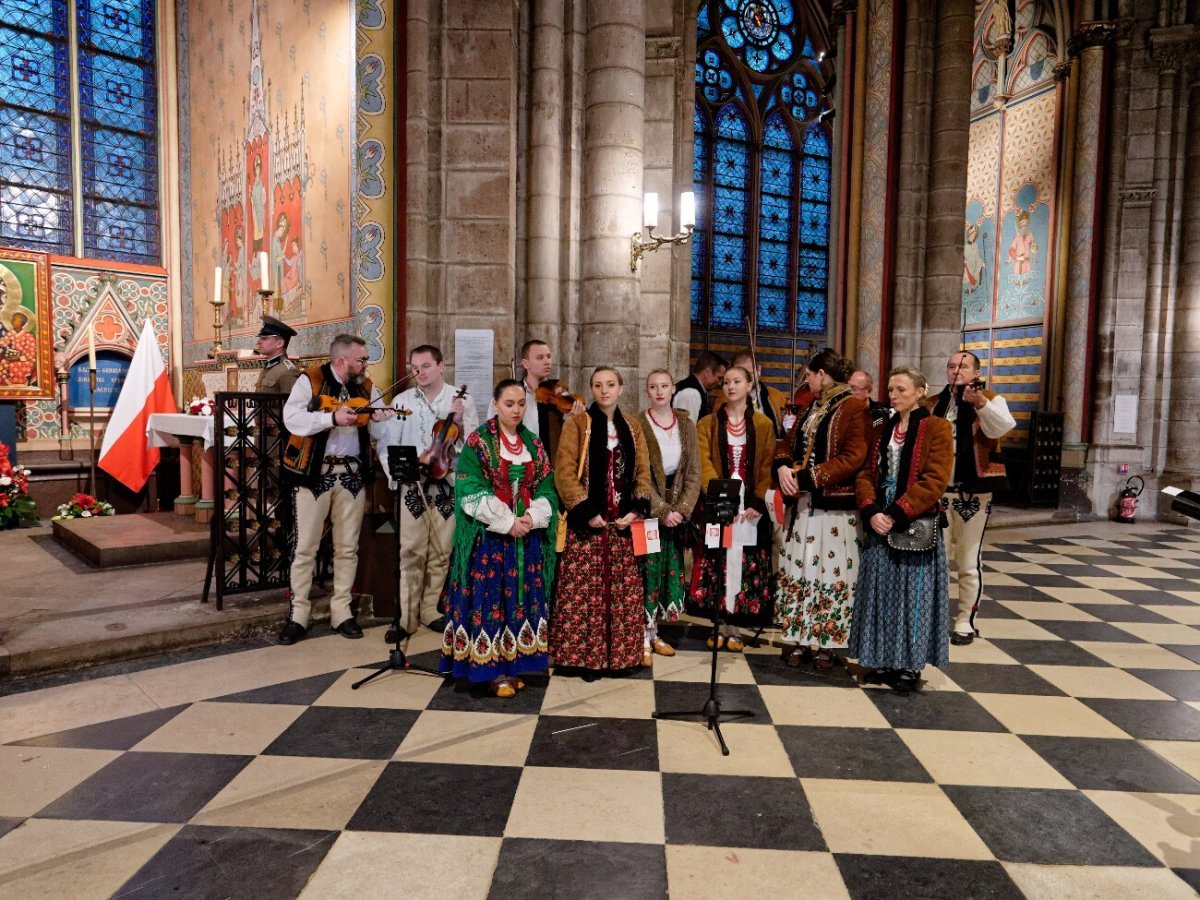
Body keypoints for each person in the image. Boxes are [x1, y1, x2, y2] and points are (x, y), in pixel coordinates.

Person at [440, 380, 556, 697]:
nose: (516, 410)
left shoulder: (533, 444)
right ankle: (491, 670)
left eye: (521, 404)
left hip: (525, 540)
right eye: (509, 403)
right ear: (495, 404)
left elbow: (546, 486)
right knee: (492, 601)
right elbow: (469, 489)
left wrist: (532, 517)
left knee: (518, 602)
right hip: (490, 541)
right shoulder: (479, 442)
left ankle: (513, 665)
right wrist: (506, 521)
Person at [278, 334, 394, 644]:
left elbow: (381, 429)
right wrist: (331, 417)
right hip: (315, 474)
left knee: (347, 548)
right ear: (341, 361)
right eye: (361, 359)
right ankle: (298, 615)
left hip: (353, 474)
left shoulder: (368, 388)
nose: (366, 364)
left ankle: (341, 611)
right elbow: (292, 418)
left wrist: (381, 417)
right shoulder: (311, 380)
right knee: (305, 548)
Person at [850, 366, 953, 691]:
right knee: (881, 594)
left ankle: (908, 665)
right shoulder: (883, 428)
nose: (893, 395)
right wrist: (871, 510)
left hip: (913, 522)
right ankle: (882, 660)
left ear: (921, 391)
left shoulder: (937, 428)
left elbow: (935, 480)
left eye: (901, 389)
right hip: (880, 522)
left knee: (913, 597)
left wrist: (896, 512)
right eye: (891, 389)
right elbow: (867, 473)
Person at [551, 366, 652, 675]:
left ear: (621, 389)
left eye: (610, 384)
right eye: (598, 385)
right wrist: (586, 511)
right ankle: (583, 659)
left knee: (622, 593)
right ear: (592, 389)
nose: (604, 390)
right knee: (583, 593)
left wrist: (635, 510)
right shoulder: (578, 424)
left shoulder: (633, 427)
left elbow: (643, 474)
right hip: (589, 525)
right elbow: (564, 471)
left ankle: (619, 657)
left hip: (621, 525)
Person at [774, 349, 870, 670]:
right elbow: (787, 443)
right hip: (801, 505)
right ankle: (801, 639)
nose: (807, 380)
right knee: (802, 571)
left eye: (809, 375)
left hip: (835, 509)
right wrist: (783, 469)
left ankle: (827, 645)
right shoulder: (811, 406)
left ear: (822, 374)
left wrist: (808, 478)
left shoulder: (854, 407)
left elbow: (854, 456)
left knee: (830, 573)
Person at [376, 344, 479, 637]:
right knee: (410, 551)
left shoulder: (462, 401)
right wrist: (396, 475)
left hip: (447, 484)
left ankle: (430, 609)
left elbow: (472, 446)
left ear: (441, 366)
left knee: (441, 551)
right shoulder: (401, 400)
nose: (418, 372)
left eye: (425, 366)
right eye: (414, 368)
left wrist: (458, 423)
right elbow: (387, 445)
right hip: (413, 484)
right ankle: (406, 617)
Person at [927, 350, 1016, 645]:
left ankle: (965, 618)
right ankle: (933, 615)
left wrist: (979, 404)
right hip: (937, 494)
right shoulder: (933, 404)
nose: (956, 370)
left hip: (972, 493)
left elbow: (1001, 427)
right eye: (951, 366)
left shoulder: (991, 399)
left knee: (967, 560)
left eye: (963, 366)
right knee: (934, 560)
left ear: (976, 373)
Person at [688, 365, 776, 651]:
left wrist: (757, 502)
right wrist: (721, 497)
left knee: (742, 562)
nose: (731, 386)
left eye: (737, 381)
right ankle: (719, 624)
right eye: (726, 382)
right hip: (720, 503)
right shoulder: (707, 424)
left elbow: (766, 467)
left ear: (750, 385)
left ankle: (735, 626)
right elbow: (703, 462)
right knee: (720, 562)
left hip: (749, 508)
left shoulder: (763, 425)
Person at [634, 369, 701, 666]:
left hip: (677, 510)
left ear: (673, 389)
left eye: (664, 386)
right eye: (653, 387)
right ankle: (640, 635)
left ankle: (655, 631)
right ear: (647, 392)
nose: (659, 391)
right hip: (649, 510)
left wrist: (682, 509)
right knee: (646, 571)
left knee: (668, 572)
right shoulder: (637, 423)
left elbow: (695, 471)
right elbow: (639, 474)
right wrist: (661, 510)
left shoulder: (685, 423)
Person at [514, 339, 585, 460]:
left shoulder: (558, 392)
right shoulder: (513, 393)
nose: (547, 362)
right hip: (520, 463)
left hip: (551, 463)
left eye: (548, 356)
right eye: (540, 358)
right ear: (526, 364)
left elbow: (568, 438)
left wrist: (574, 420)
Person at [673, 349, 727, 421]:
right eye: (719, 378)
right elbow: (686, 428)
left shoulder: (696, 389)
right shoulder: (690, 393)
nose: (720, 383)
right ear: (708, 372)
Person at [255, 316, 300, 394]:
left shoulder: (288, 372)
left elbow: (291, 404)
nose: (259, 342)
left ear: (279, 343)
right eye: (260, 338)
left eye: (264, 338)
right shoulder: (269, 367)